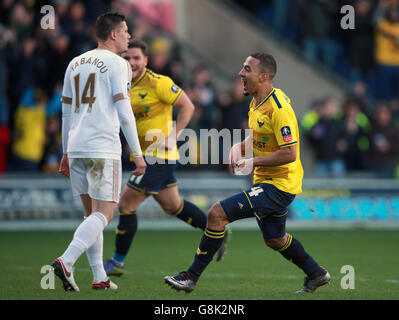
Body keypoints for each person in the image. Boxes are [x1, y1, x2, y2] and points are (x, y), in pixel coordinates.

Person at [164, 53, 330, 294]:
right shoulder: (256, 101)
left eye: (246, 69)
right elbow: (258, 137)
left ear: (263, 76)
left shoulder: (279, 109)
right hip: (268, 181)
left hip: (280, 184)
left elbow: (290, 153)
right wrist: (238, 147)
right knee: (274, 239)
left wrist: (252, 161)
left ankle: (190, 276)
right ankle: (316, 274)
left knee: (216, 213)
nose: (240, 73)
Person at [103, 39, 230, 277]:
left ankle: (117, 262)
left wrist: (174, 136)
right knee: (173, 205)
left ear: (145, 61)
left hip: (158, 157)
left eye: (136, 58)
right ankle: (216, 230)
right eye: (127, 58)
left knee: (126, 204)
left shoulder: (158, 82)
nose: (131, 62)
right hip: (143, 155)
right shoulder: (121, 84)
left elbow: (188, 106)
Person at [51, 12, 146, 292]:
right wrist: (138, 153)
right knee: (104, 214)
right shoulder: (119, 64)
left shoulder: (74, 63)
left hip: (77, 146)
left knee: (91, 215)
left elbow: (66, 111)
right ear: (113, 34)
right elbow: (124, 111)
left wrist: (66, 152)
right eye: (126, 30)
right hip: (103, 147)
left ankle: (99, 278)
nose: (129, 35)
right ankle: (66, 261)